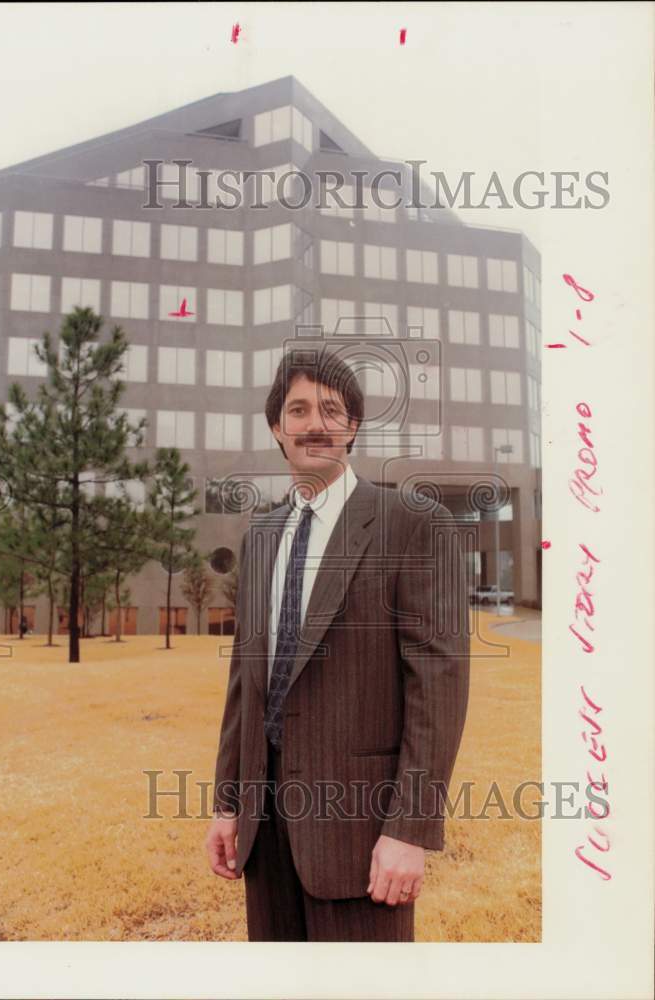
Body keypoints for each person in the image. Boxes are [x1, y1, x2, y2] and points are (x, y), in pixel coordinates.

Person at [204, 349, 470, 942]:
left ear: (353, 425)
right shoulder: (262, 538)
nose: (314, 423)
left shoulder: (411, 524)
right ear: (277, 427)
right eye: (297, 409)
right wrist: (228, 805)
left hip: (362, 834)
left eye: (331, 409)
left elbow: (438, 685)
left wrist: (409, 830)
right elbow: (245, 684)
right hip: (264, 828)